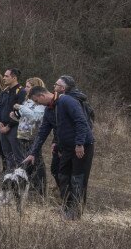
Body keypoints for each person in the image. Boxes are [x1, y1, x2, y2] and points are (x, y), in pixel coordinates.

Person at [24, 85, 94, 220]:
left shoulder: (67, 101)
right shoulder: (49, 110)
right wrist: (33, 153)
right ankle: (67, 207)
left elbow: (81, 122)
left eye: (37, 101)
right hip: (66, 148)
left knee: (77, 179)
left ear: (42, 96)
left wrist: (79, 143)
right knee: (62, 176)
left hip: (82, 146)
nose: (38, 104)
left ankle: (76, 212)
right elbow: (42, 132)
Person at [16, 77, 48, 197]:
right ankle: (29, 185)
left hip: (33, 136)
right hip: (23, 134)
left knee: (37, 163)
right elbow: (24, 116)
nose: (25, 88)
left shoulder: (40, 104)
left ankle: (40, 190)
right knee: (27, 162)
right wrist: (16, 114)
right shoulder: (27, 101)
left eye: (28, 86)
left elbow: (36, 117)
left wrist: (21, 108)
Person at [0, 67, 27, 169]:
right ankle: (10, 179)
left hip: (14, 128)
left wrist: (9, 126)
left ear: (14, 78)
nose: (4, 78)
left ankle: (21, 179)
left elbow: (19, 112)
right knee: (8, 155)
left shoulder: (21, 91)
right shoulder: (4, 91)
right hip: (2, 126)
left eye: (6, 76)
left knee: (18, 156)